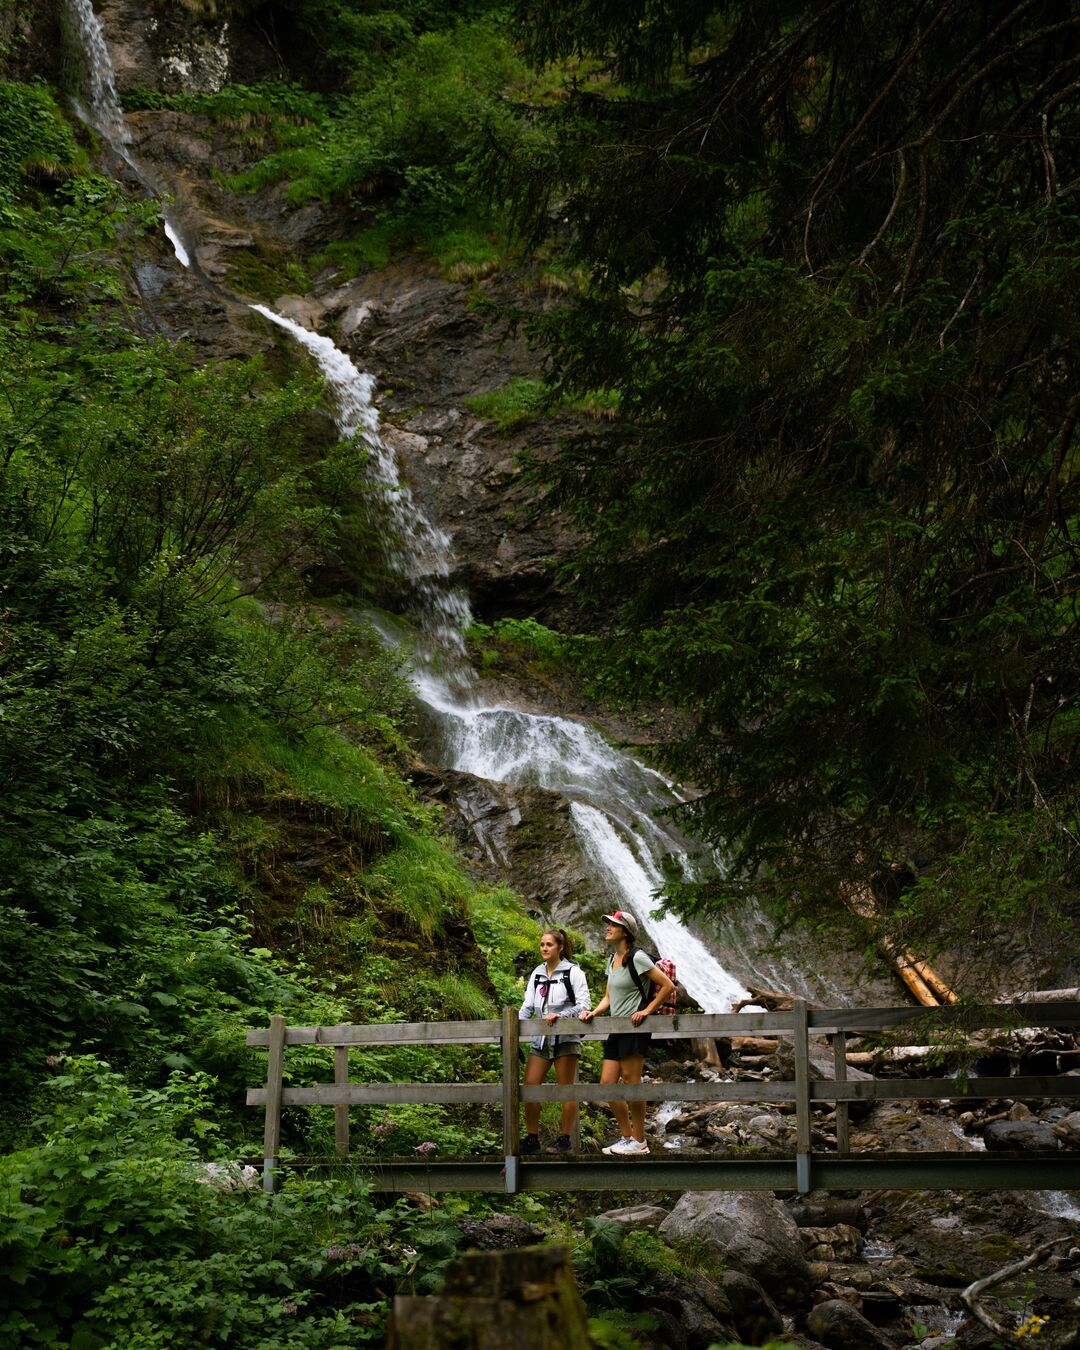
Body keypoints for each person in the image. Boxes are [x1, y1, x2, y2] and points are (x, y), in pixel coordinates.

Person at [579, 910, 675, 1156]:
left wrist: (647, 1011)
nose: (608, 927)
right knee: (607, 1084)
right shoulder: (612, 959)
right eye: (608, 924)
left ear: (625, 932)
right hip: (616, 1028)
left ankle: (640, 1141)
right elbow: (609, 996)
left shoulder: (638, 957)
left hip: (634, 1028)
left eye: (613, 925)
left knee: (632, 1083)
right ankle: (626, 1137)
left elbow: (668, 986)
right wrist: (594, 1012)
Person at [518, 928, 591, 1154]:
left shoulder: (573, 972)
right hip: (540, 1040)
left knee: (565, 1089)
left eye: (549, 944)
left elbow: (584, 1005)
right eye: (542, 944)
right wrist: (515, 1027)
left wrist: (561, 1016)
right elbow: (528, 1005)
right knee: (529, 1087)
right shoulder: (537, 973)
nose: (544, 948)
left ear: (559, 947)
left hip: (566, 1038)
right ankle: (532, 1138)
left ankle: (565, 1138)